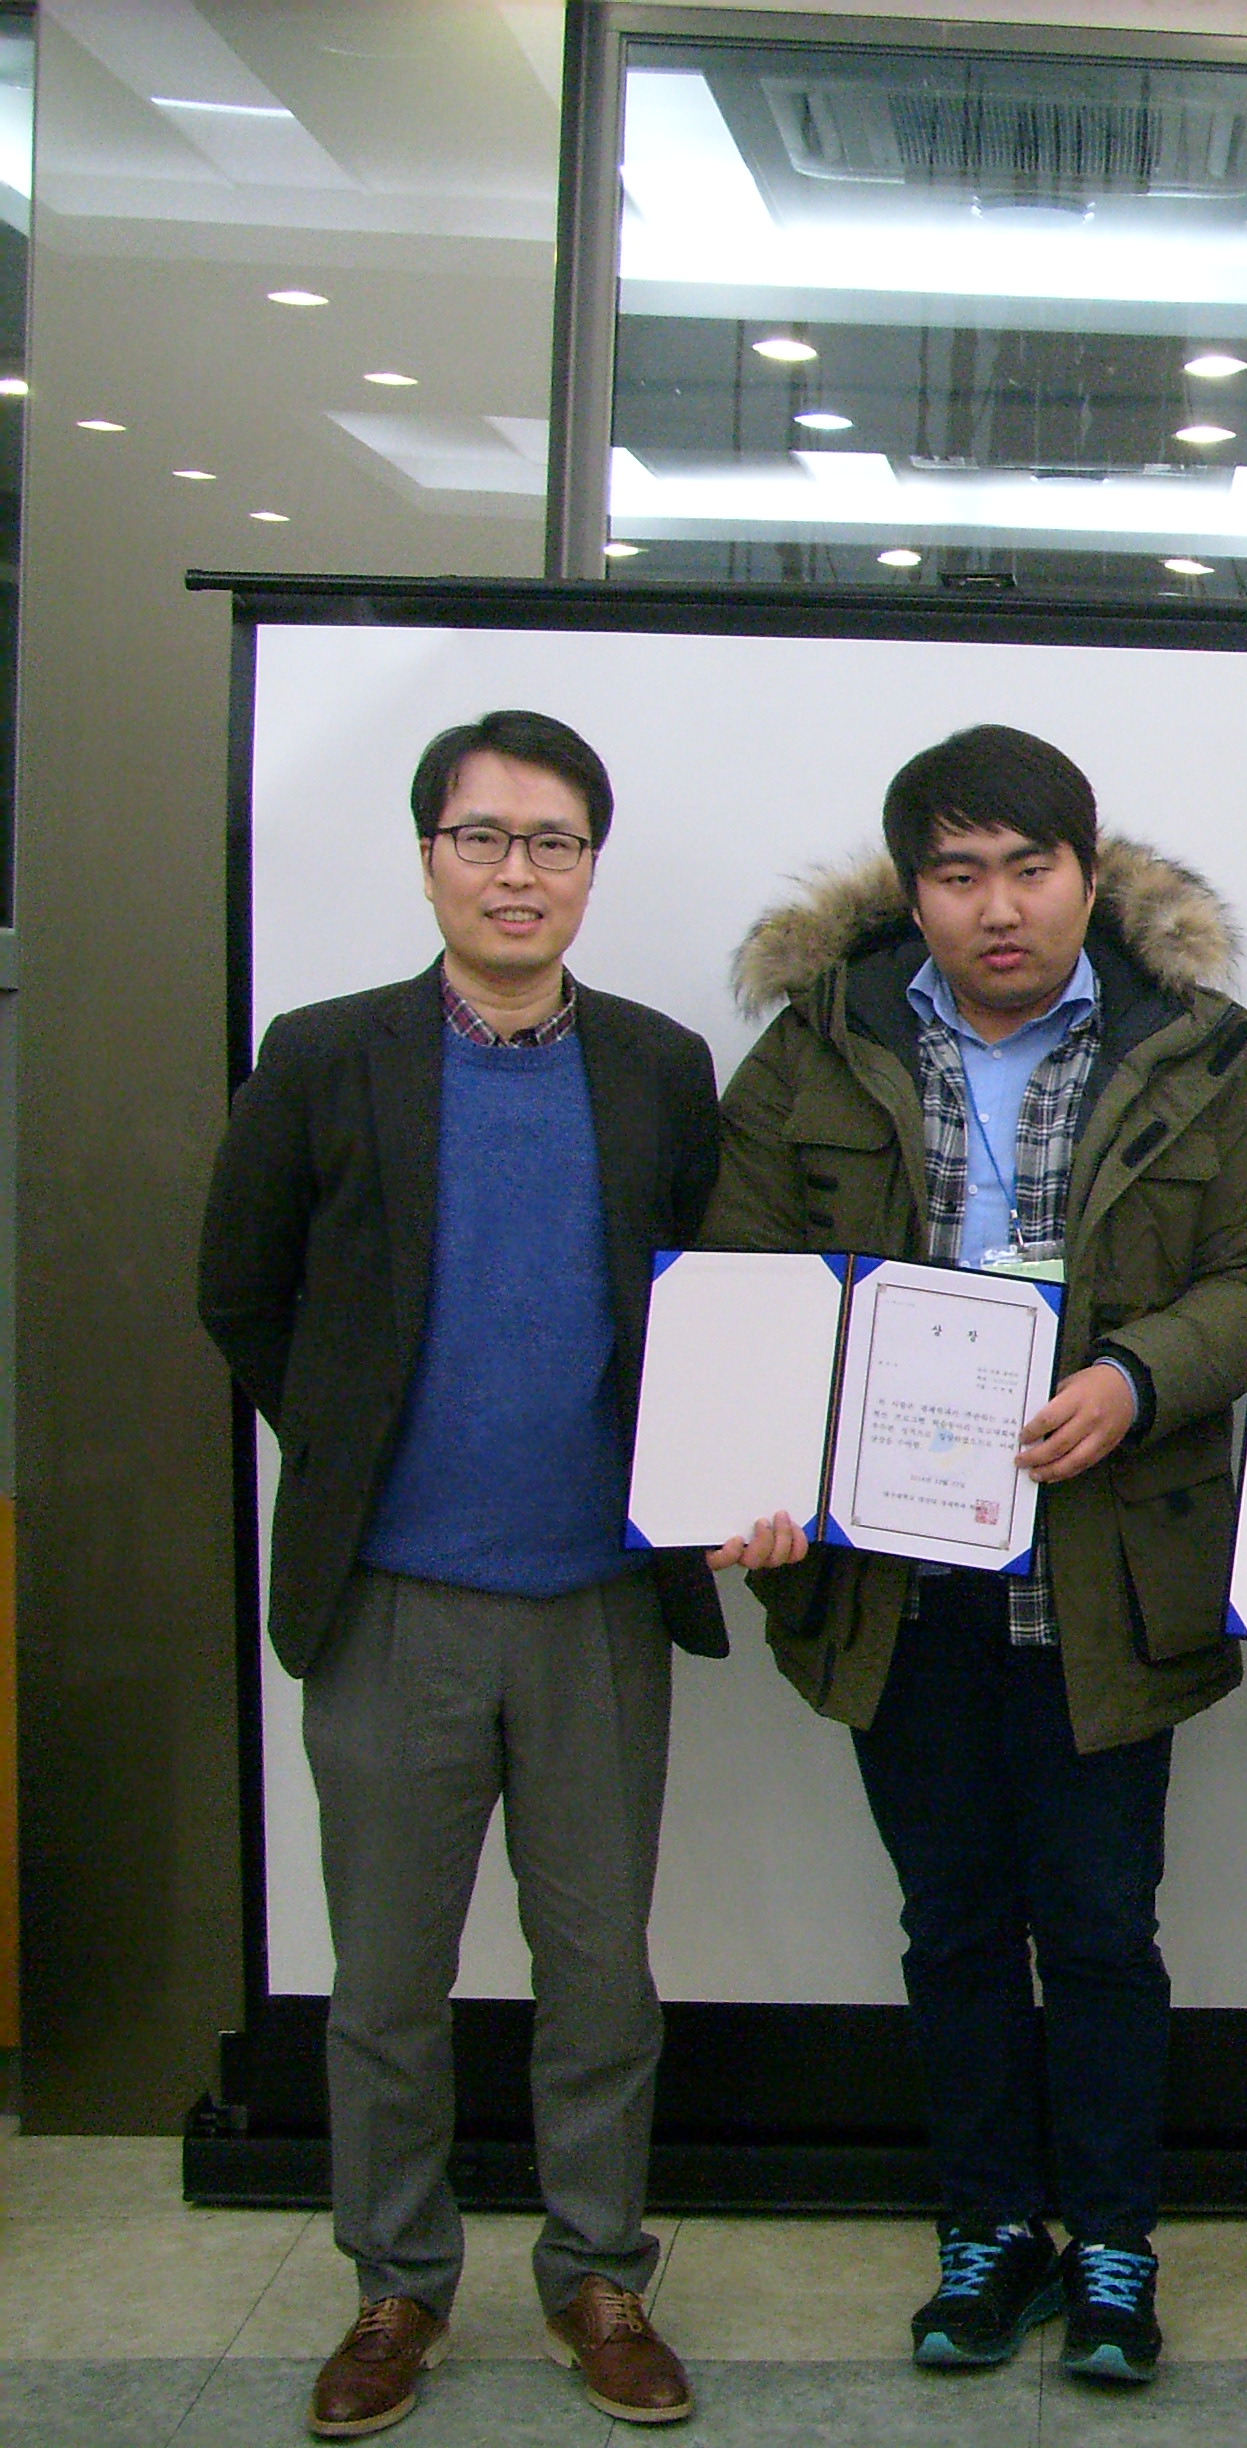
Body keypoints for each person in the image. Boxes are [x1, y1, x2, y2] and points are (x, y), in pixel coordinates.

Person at [700, 724, 1247, 2388]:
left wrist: (1137, 1378)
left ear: (1085, 878)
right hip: (895, 1586)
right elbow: (744, 1282)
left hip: (1103, 1581)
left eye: (1030, 870)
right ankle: (986, 2235)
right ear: (914, 895)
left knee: (1103, 1931)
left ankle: (1112, 2246)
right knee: (953, 1927)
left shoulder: (1194, 1058)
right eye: (959, 875)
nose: (998, 907)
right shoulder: (812, 1058)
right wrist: (766, 1472)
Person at [198, 710, 720, 2437]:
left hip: (598, 1602)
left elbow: (704, 1310)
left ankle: (598, 2273)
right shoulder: (321, 1054)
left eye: (553, 841)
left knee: (600, 1979)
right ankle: (396, 2286)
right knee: (385, 1987)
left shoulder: (657, 1067)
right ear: (428, 855)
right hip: (393, 1603)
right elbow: (239, 1290)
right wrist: (353, 1442)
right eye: (484, 837)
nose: (518, 872)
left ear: (590, 868)